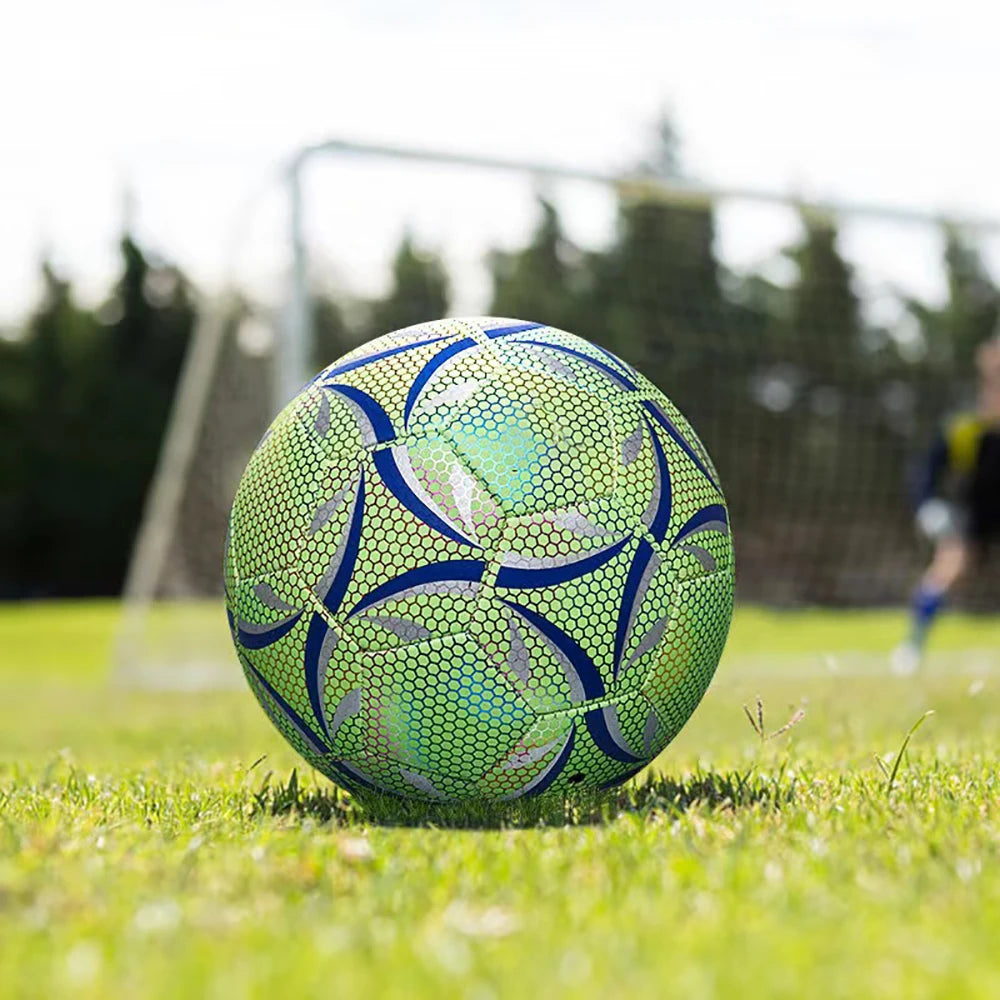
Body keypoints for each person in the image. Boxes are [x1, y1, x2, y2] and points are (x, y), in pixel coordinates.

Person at [892, 336, 1000, 675]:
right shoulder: (964, 426)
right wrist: (927, 505)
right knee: (950, 565)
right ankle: (913, 645)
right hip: (975, 510)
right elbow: (928, 468)